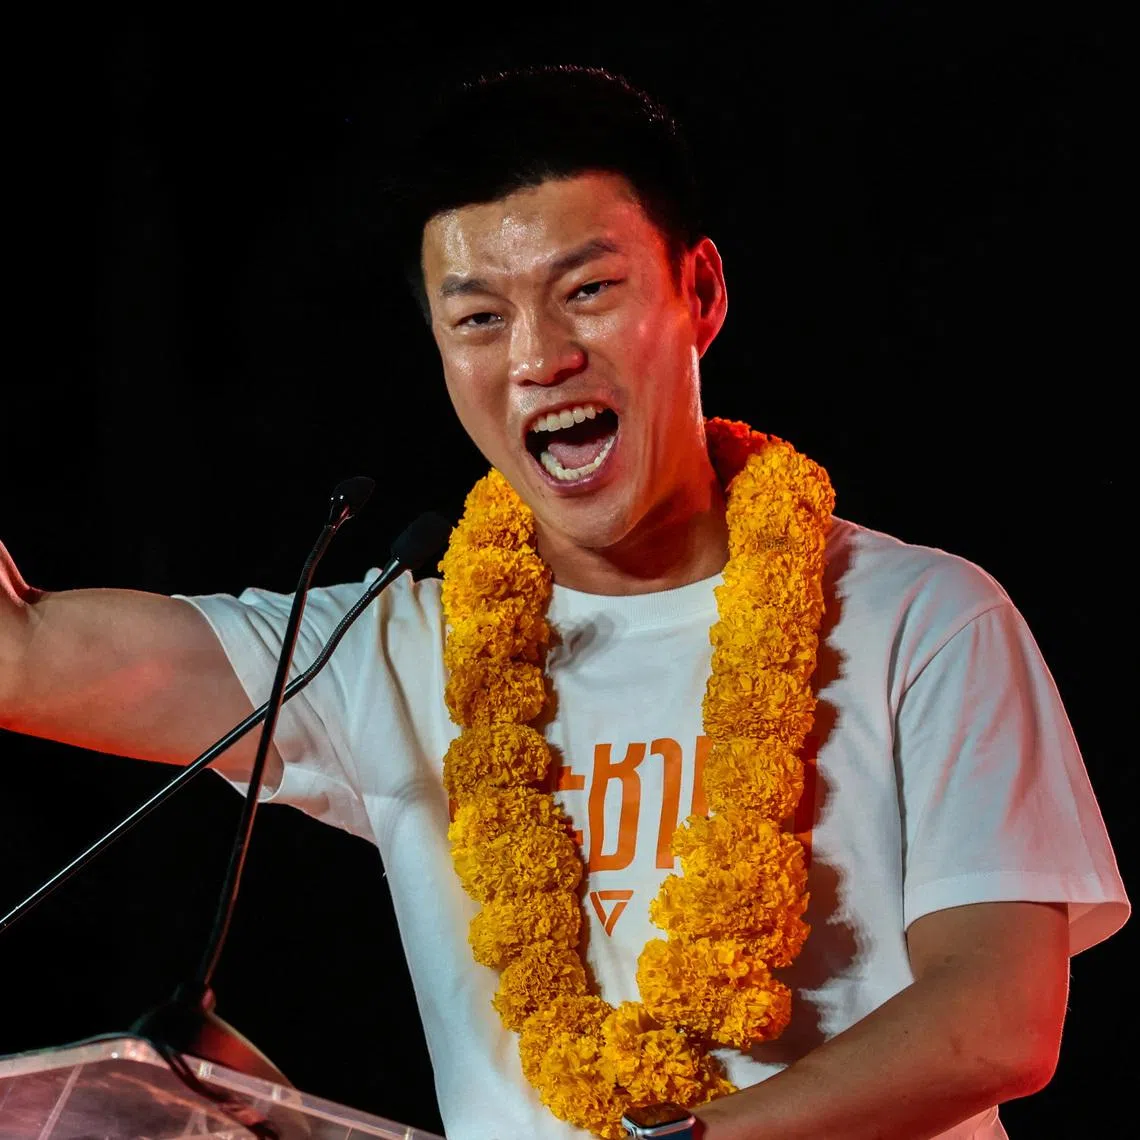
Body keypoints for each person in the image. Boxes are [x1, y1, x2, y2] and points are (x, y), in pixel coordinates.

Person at [0, 65, 1128, 1140]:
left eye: (587, 291)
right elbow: (22, 652)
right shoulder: (378, 650)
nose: (539, 357)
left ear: (701, 293)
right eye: (480, 318)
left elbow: (993, 1025)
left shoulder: (922, 619)